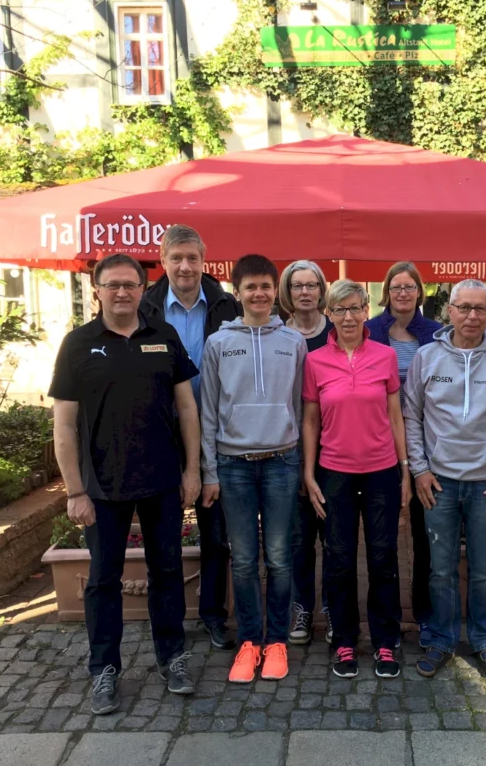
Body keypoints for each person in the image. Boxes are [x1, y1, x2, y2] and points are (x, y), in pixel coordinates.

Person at [50, 254, 200, 716]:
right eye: (112, 285)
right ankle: (104, 669)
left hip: (161, 480)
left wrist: (192, 470)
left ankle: (172, 657)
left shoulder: (163, 337)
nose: (121, 292)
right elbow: (64, 426)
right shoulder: (77, 344)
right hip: (101, 487)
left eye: (130, 285)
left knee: (168, 573)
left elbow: (187, 409)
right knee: (102, 582)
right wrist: (75, 491)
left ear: (142, 289)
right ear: (96, 290)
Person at [403, 279, 486, 680]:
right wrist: (420, 469)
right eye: (464, 307)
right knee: (439, 569)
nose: (472, 316)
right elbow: (411, 416)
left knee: (483, 570)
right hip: (438, 484)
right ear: (449, 311)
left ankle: (483, 639)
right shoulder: (426, 358)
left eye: (480, 308)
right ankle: (442, 637)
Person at [199, 254, 307, 684]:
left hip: (282, 461)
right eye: (250, 287)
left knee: (280, 559)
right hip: (233, 464)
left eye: (266, 286)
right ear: (236, 291)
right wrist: (209, 471)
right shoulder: (218, 344)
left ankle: (277, 640)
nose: (259, 294)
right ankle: (249, 642)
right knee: (243, 560)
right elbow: (208, 410)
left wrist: (302, 466)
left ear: (274, 290)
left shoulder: (293, 341)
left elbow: (301, 407)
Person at [302, 279, 411, 679]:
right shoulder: (315, 361)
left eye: (354, 308)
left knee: (383, 558)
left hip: (382, 469)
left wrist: (404, 470)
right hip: (335, 473)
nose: (348, 316)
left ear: (367, 310)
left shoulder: (384, 356)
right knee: (339, 559)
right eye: (339, 309)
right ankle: (344, 640)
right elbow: (310, 420)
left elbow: (396, 415)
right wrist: (308, 473)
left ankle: (385, 640)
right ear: (328, 314)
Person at [142, 224, 241, 652]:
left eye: (192, 258)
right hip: (161, 435)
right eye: (176, 258)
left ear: (205, 260)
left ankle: (213, 615)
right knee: (163, 535)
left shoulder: (227, 306)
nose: (185, 266)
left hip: (216, 432)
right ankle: (167, 624)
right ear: (163, 261)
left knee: (216, 534)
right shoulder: (145, 308)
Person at [366, 262, 441, 647]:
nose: (403, 293)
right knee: (384, 541)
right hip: (379, 442)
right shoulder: (369, 331)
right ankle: (388, 620)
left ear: (419, 292)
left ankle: (426, 614)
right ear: (386, 292)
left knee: (424, 539)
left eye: (410, 287)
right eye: (396, 286)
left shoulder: (437, 334)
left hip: (428, 445)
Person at [279, 260, 335, 647]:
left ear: (321, 290)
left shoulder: (336, 333)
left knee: (334, 536)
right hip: (288, 450)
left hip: (334, 452)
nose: (304, 292)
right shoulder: (276, 336)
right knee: (298, 539)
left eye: (311, 285)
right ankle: (301, 606)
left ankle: (332, 607)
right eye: (297, 285)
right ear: (288, 291)